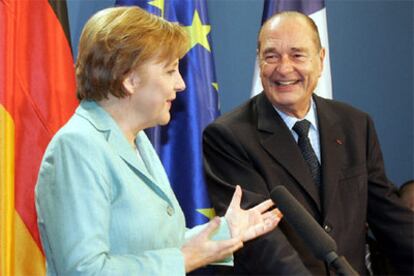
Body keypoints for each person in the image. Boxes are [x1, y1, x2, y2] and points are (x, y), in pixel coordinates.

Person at [35, 7, 283, 275]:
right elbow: (85, 270)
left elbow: (156, 244)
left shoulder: (137, 140)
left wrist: (225, 231)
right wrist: (183, 260)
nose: (180, 84)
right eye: (170, 71)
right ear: (130, 79)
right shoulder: (77, 147)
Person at [203, 11, 414, 275]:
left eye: (297, 55)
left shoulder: (356, 125)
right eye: (271, 56)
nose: (284, 68)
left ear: (321, 60)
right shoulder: (229, 136)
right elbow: (262, 243)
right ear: (259, 61)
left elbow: (389, 217)